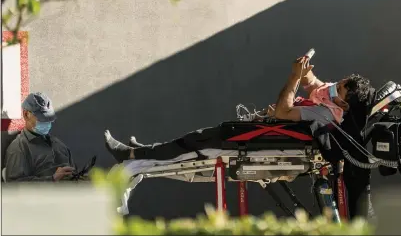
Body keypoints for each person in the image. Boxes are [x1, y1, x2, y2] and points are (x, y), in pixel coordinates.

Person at [104, 55, 374, 219]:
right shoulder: (330, 99)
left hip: (253, 137)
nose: (331, 89)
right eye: (338, 84)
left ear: (346, 105)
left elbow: (284, 110)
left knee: (193, 142)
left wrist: (293, 78)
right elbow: (314, 83)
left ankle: (133, 155)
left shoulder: (325, 115)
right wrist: (304, 69)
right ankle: (146, 152)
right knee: (188, 144)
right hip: (256, 131)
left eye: (338, 90)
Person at [4, 92, 76, 182]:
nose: (47, 122)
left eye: (49, 118)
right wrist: (52, 179)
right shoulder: (19, 148)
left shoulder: (59, 145)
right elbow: (14, 186)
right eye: (42, 118)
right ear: (26, 115)